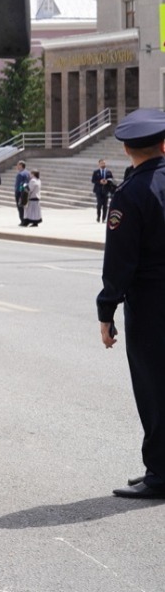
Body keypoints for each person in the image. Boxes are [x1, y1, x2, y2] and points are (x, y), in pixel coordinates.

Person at [97, 109, 165, 499]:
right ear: (164, 144)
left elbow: (119, 263)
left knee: (155, 390)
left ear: (126, 149)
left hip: (153, 306)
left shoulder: (131, 194)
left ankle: (160, 474)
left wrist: (106, 312)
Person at [94, 159, 117, 223]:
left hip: (106, 191)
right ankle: (98, 216)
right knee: (99, 204)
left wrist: (107, 181)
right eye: (102, 163)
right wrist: (99, 181)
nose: (103, 164)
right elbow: (93, 180)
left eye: (104, 163)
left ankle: (104, 218)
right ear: (99, 164)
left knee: (105, 205)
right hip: (98, 190)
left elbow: (112, 180)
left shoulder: (108, 172)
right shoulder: (96, 172)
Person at [13, 161, 32, 226]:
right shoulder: (28, 173)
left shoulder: (20, 174)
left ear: (21, 165)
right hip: (26, 192)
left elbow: (20, 185)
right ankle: (26, 220)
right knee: (25, 207)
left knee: (20, 207)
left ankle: (23, 221)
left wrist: (20, 191)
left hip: (20, 193)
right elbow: (27, 183)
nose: (17, 166)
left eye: (18, 165)